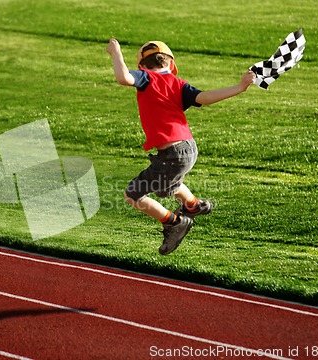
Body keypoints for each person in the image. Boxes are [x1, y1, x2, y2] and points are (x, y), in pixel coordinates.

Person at [106, 38, 255, 255]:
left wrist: (115, 52)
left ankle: (175, 222)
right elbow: (205, 98)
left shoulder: (146, 78)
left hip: (172, 154)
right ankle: (194, 206)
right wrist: (240, 87)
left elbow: (123, 78)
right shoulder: (179, 84)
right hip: (188, 148)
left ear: (142, 66)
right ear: (172, 65)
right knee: (168, 184)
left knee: (132, 195)